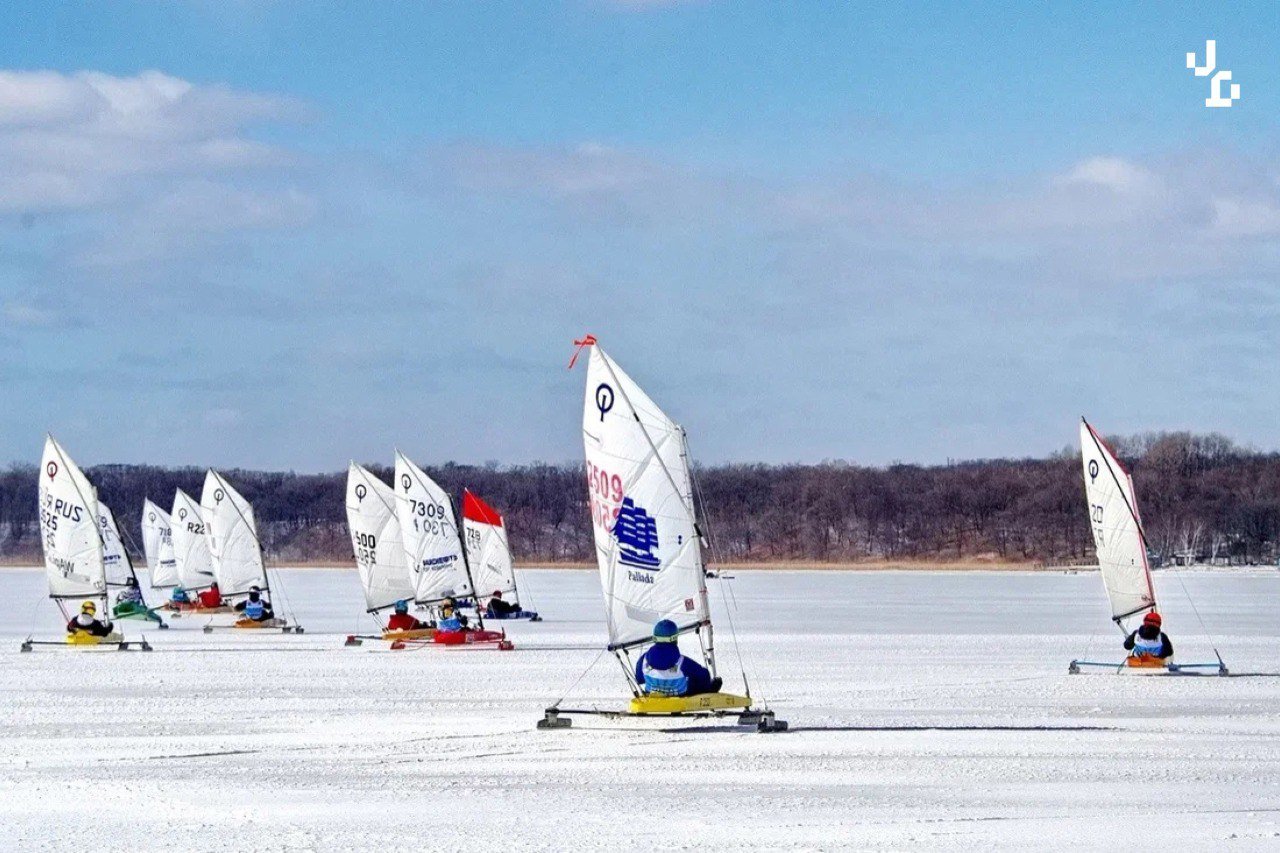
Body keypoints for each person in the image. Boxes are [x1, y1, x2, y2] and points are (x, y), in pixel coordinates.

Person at [633, 619, 722, 697]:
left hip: (651, 693)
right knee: (698, 677)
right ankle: (709, 690)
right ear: (675, 639)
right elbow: (704, 675)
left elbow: (639, 679)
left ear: (654, 638)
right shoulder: (682, 661)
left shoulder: (644, 660)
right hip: (679, 695)